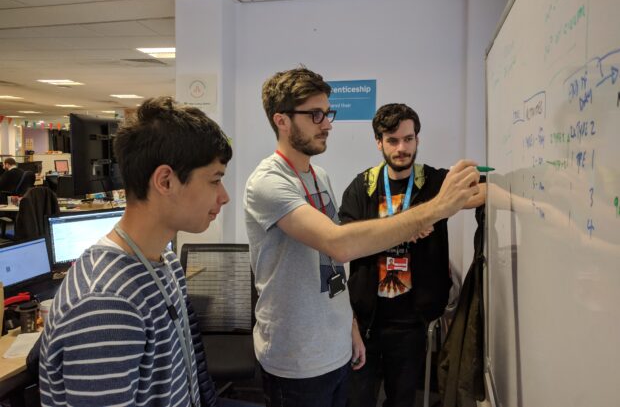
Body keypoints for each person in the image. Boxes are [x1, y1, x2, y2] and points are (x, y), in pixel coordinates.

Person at [244, 67, 481, 407]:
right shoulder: (268, 183)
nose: (327, 124)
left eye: (328, 114)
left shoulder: (318, 175)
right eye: (316, 115)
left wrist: (349, 325)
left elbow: (333, 267)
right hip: (297, 358)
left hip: (336, 344)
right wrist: (434, 209)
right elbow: (340, 245)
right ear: (281, 121)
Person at [39, 97, 231, 407]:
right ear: (165, 181)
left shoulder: (164, 260)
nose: (224, 197)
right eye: (215, 180)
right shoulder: (107, 303)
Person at [339, 103, 486, 407]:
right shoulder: (360, 187)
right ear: (379, 143)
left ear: (418, 139)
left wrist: (439, 210)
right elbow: (349, 242)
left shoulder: (435, 183)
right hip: (366, 319)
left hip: (412, 321)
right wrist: (405, 227)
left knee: (403, 400)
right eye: (392, 140)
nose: (402, 147)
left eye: (408, 139)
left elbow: (484, 191)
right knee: (357, 400)